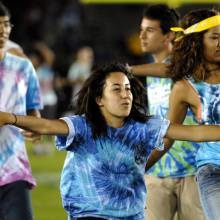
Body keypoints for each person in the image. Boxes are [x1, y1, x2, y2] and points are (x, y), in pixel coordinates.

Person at [1, 63, 220, 220]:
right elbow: (47, 125)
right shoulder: (82, 126)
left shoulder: (144, 126)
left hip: (132, 215)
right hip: (89, 214)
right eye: (116, 89)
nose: (125, 94)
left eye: (127, 89)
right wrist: (10, 118)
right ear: (99, 99)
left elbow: (196, 133)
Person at [131, 8, 220, 220]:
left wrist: (129, 69)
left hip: (189, 170)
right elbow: (168, 135)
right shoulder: (184, 86)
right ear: (197, 42)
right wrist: (136, 169)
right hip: (212, 170)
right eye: (215, 37)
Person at [0, 2, 42, 220]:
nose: (2, 30)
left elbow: (35, 114)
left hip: (13, 170)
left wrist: (35, 128)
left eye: (6, 24)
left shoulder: (23, 68)